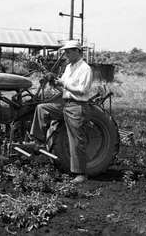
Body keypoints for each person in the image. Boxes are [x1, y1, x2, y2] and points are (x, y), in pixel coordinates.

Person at [28, 40, 93, 184]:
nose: (66, 54)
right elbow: (63, 89)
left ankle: (81, 174)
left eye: (69, 51)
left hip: (77, 106)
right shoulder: (69, 67)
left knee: (76, 140)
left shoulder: (85, 69)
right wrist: (53, 82)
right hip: (66, 103)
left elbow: (82, 90)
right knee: (42, 108)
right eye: (65, 51)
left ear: (77, 51)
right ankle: (38, 142)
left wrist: (63, 83)